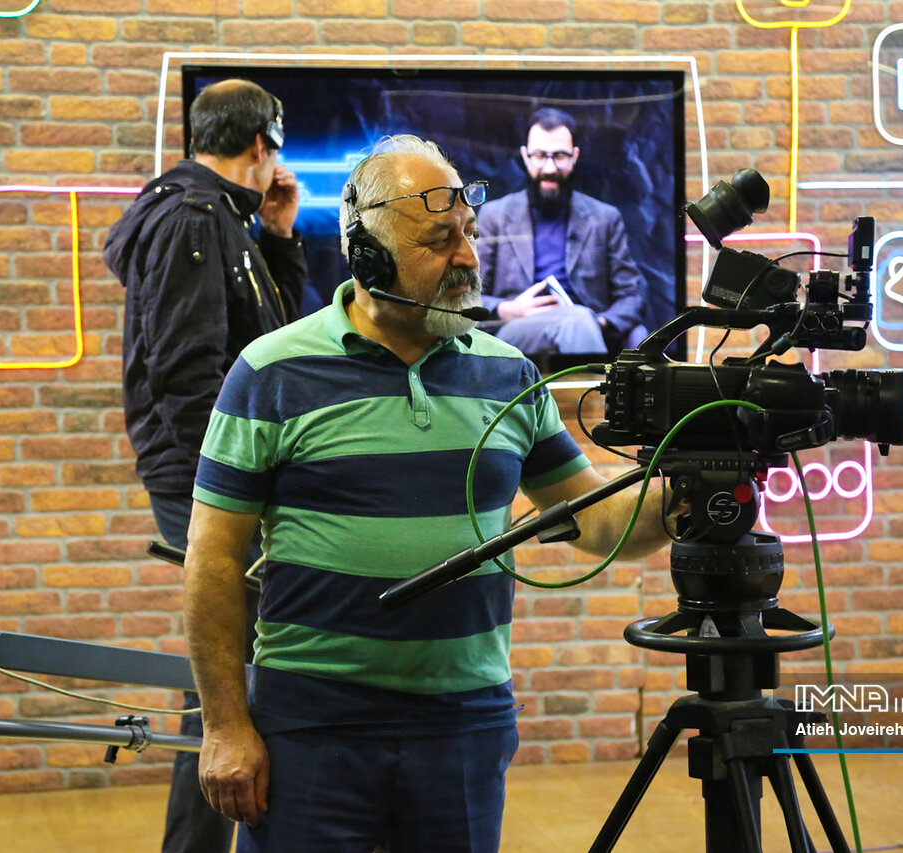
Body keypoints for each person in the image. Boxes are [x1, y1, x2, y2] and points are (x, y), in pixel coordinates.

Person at [183, 134, 677, 853]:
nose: (469, 257)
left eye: (469, 234)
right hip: (312, 724)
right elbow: (214, 559)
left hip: (464, 724)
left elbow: (599, 520)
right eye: (440, 240)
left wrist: (686, 496)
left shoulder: (510, 375)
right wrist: (225, 725)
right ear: (369, 256)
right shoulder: (271, 372)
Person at [102, 78, 306, 853]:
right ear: (261, 144)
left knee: (229, 672)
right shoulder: (193, 217)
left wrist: (278, 234)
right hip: (206, 473)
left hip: (213, 470)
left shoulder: (220, 216)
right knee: (227, 677)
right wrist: (231, 484)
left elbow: (277, 344)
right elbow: (187, 376)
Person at [476, 107, 648, 356]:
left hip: (587, 325)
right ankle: (595, 382)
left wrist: (600, 323)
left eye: (559, 156)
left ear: (574, 156)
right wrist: (508, 309)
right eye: (539, 156)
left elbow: (632, 294)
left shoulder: (604, 218)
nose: (549, 168)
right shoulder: (495, 215)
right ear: (525, 156)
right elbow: (469, 295)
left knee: (631, 333)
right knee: (576, 320)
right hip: (516, 329)